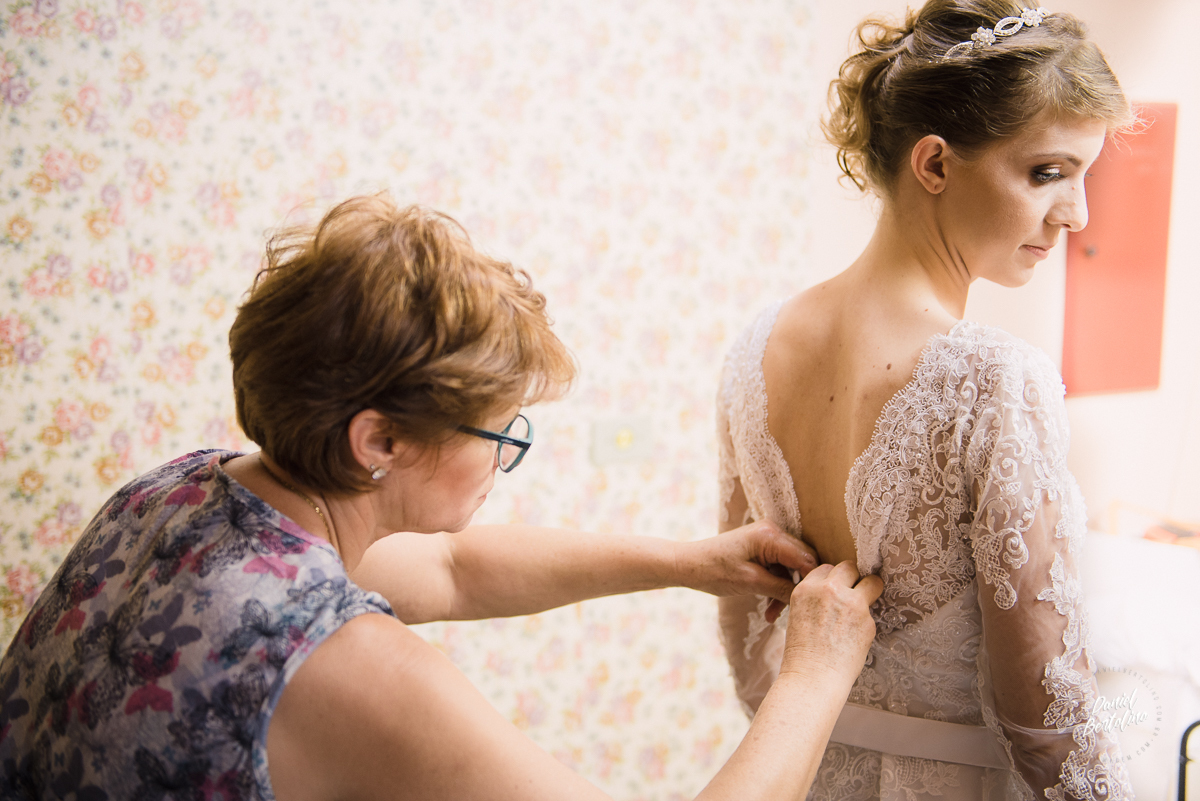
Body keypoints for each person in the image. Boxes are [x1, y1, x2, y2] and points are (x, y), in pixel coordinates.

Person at [0, 195, 882, 800]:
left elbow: (457, 569)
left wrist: (692, 562)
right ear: (379, 441)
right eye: (497, 432)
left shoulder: (181, 491)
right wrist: (812, 675)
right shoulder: (347, 664)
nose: (503, 456)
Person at [717, 2, 1135, 798]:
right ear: (935, 163)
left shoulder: (755, 348)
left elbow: (745, 628)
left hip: (803, 769)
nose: (1077, 214)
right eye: (1047, 172)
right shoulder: (995, 378)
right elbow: (1043, 712)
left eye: (1084, 176)